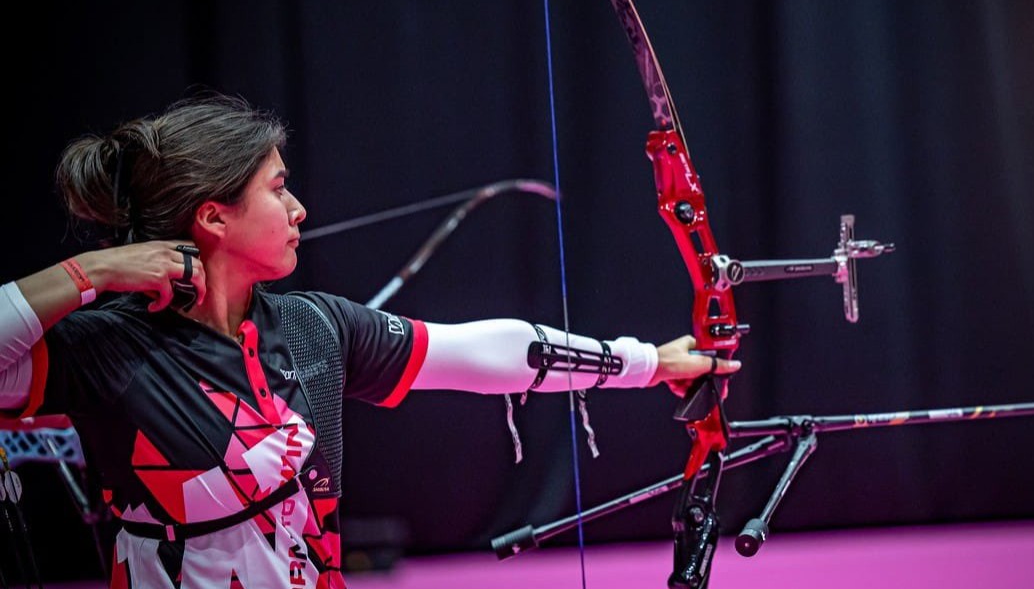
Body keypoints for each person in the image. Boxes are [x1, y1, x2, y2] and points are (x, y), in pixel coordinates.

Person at [0, 93, 739, 588]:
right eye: (277, 187)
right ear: (213, 217)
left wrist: (646, 363)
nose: (299, 206)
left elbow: (488, 353)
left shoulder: (312, 326)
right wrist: (90, 271)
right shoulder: (105, 349)